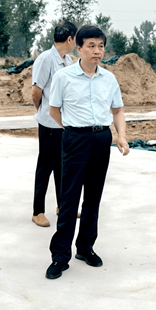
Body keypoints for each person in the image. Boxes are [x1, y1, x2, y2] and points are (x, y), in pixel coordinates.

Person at [45, 25, 130, 279]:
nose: (97, 51)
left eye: (101, 46)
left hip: (101, 139)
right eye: (91, 46)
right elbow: (53, 110)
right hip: (75, 139)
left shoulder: (109, 79)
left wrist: (121, 136)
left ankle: (85, 247)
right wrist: (72, 130)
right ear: (79, 48)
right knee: (69, 198)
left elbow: (117, 110)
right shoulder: (64, 77)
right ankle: (60, 256)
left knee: (93, 196)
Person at [31, 21, 77, 228]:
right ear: (69, 39)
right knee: (45, 167)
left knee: (62, 165)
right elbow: (36, 91)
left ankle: (62, 205)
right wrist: (42, 111)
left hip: (64, 123)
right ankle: (37, 211)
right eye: (75, 39)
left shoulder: (68, 61)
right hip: (49, 123)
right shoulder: (45, 59)